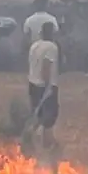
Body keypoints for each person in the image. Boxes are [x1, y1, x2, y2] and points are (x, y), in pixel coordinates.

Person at [27, 20, 60, 149]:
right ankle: (47, 143)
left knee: (37, 112)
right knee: (49, 116)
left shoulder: (34, 45)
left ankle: (31, 138)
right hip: (45, 85)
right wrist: (48, 87)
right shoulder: (51, 47)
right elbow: (46, 67)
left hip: (32, 83)